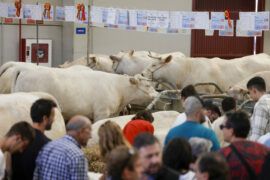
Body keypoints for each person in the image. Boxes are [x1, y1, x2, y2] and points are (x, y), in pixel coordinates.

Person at [33, 115, 92, 180]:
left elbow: (36, 176)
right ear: (81, 131)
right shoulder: (77, 156)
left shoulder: (48, 146)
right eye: (89, 131)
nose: (90, 136)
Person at [11, 99, 56, 180]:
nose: (54, 120)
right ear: (45, 118)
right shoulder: (48, 145)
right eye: (52, 116)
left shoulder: (17, 137)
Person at [218, 111, 270, 179]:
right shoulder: (265, 151)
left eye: (222, 127)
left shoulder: (223, 156)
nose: (222, 130)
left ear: (231, 131)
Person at [247, 76, 270, 141]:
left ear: (254, 90)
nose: (250, 96)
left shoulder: (261, 104)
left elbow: (257, 134)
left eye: (249, 93)